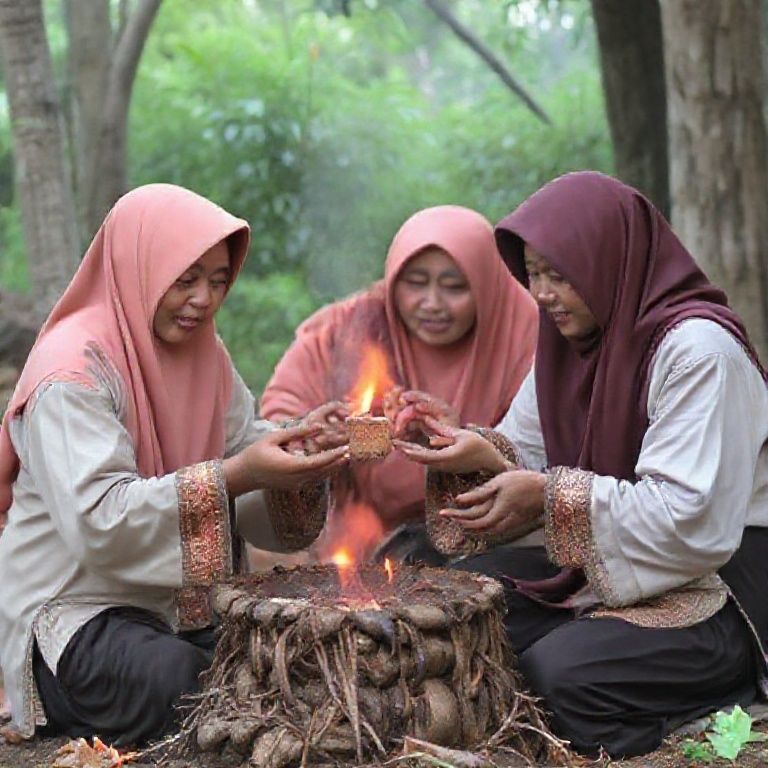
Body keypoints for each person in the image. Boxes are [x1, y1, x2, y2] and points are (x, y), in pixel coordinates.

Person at [393, 171, 768, 757]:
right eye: (534, 273)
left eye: (560, 274)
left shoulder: (700, 354)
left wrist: (545, 496)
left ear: (608, 261)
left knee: (560, 675)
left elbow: (689, 519)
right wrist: (466, 450)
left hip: (726, 585)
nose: (541, 293)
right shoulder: (573, 344)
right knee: (453, 613)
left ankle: (727, 698)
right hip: (616, 568)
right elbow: (528, 453)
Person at [0, 184, 347, 745]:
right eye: (185, 279)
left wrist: (299, 453)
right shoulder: (71, 373)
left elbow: (247, 447)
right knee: (185, 682)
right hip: (78, 615)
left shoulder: (205, 352)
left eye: (217, 280)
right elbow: (100, 521)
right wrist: (241, 474)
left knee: (292, 662)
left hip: (181, 613)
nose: (203, 300)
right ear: (139, 267)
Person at [260, 205, 538, 557]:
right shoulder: (348, 328)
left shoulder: (522, 337)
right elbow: (280, 415)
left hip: (492, 545)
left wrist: (461, 439)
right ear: (392, 280)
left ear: (486, 287)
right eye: (415, 283)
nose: (432, 304)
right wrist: (315, 437)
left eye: (454, 287)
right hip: (354, 540)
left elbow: (540, 460)